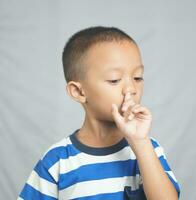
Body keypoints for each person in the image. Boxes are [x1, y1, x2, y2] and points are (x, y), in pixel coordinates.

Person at [17, 26, 181, 200]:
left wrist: (141, 143)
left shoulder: (147, 149)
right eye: (114, 80)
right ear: (79, 92)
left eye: (138, 77)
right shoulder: (57, 161)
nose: (131, 89)